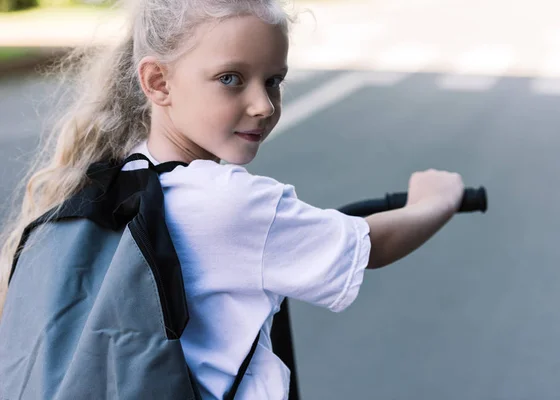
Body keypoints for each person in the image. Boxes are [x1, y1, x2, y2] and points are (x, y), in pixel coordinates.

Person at [0, 0, 464, 398]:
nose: (263, 104)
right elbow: (369, 246)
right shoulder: (230, 205)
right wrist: (437, 200)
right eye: (231, 79)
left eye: (274, 80)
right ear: (158, 82)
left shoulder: (120, 175)